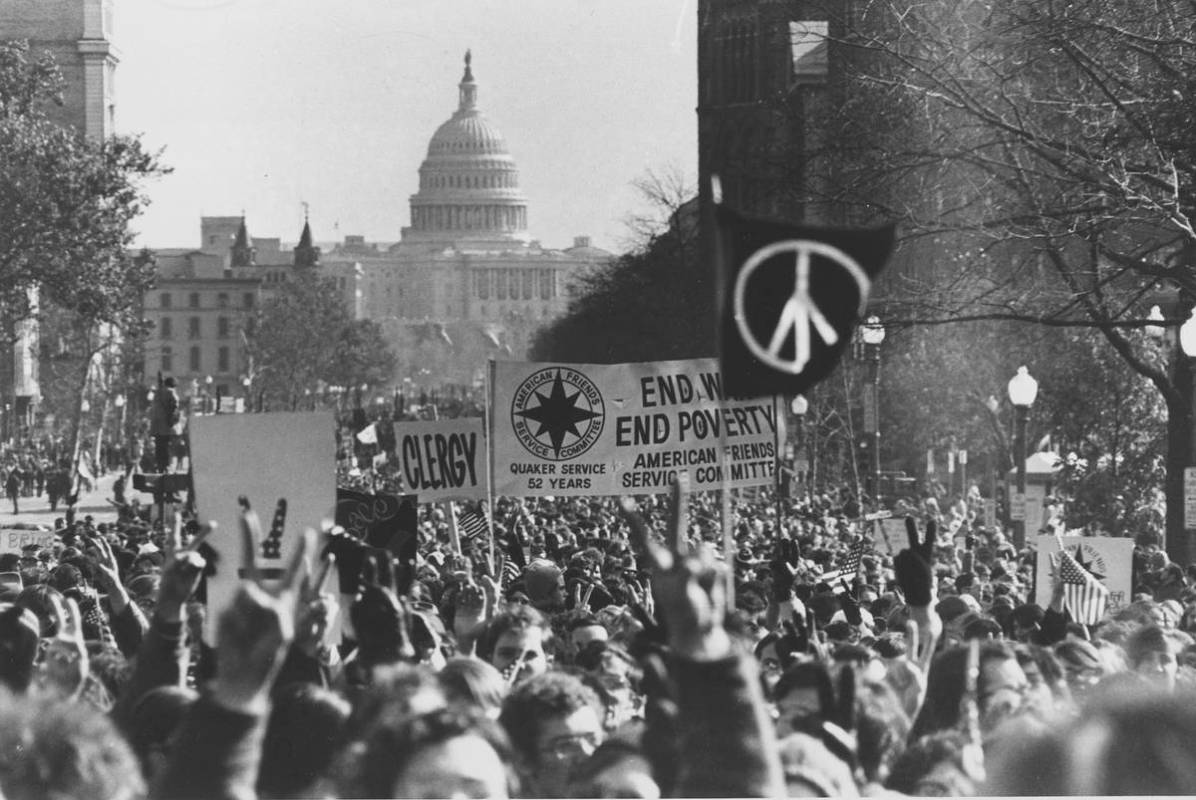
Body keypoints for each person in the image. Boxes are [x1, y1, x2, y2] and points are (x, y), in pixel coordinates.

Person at [149, 376, 183, 474]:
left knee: (159, 447)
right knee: (169, 447)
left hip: (157, 426)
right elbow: (175, 408)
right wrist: (175, 421)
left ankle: (160, 466)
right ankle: (167, 467)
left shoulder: (157, 393)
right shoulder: (171, 392)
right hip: (167, 426)